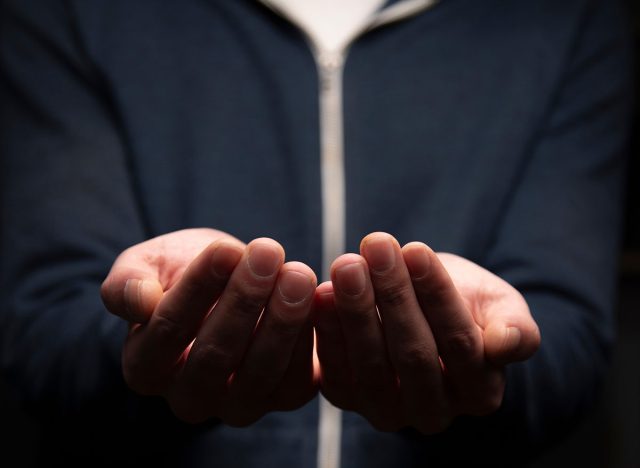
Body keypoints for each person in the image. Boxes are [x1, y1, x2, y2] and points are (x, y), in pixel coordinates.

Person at [0, 0, 633, 466]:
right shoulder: (70, 13)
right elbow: (49, 328)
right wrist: (158, 335)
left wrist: (481, 353)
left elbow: (564, 341)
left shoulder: (570, 19)